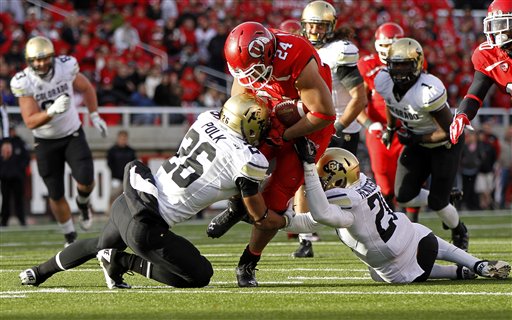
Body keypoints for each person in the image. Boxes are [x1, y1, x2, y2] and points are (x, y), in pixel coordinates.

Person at [19, 93, 287, 289]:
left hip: (129, 201)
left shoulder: (206, 119)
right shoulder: (247, 158)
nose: (262, 131)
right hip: (147, 225)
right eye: (260, 125)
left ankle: (39, 272)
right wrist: (292, 220)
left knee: (96, 245)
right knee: (199, 275)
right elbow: (260, 216)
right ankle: (121, 262)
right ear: (247, 123)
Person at [206, 21, 336, 287]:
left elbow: (323, 113)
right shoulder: (250, 55)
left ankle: (248, 262)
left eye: (252, 72)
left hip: (307, 123)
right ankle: (235, 207)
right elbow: (240, 97)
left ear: (268, 56)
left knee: (277, 198)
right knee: (237, 157)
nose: (247, 78)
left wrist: (286, 136)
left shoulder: (296, 57)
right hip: (271, 110)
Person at [283, 137, 510, 283]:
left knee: (381, 275)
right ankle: (473, 264)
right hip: (419, 237)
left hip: (395, 265)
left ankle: (456, 271)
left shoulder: (345, 197)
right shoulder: (363, 180)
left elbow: (318, 215)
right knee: (427, 243)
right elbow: (314, 218)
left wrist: (309, 171)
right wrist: (284, 221)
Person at [10, 36, 108, 246]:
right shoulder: (25, 82)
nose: (40, 63)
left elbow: (87, 87)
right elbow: (30, 121)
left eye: (44, 58)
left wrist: (95, 115)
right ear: (28, 61)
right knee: (55, 193)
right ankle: (70, 236)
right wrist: (52, 111)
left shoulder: (66, 68)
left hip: (72, 133)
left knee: (86, 179)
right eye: (35, 60)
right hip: (45, 141)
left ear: (52, 57)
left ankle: (83, 204)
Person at [374, 38, 469, 251]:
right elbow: (391, 103)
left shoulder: (427, 89)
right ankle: (446, 195)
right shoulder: (383, 81)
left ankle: (459, 230)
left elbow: (449, 131)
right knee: (404, 196)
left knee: (437, 203)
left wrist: (417, 139)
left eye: (404, 64)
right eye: (394, 64)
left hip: (445, 143)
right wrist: (390, 129)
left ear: (417, 64)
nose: (398, 70)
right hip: (417, 138)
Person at [290, 0, 367, 258]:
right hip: (314, 123)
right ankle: (305, 239)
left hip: (339, 128)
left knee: (342, 188)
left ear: (331, 27)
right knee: (302, 179)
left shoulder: (339, 51)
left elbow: (359, 97)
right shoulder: (301, 48)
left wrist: (339, 125)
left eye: (321, 26)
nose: (315, 31)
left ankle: (360, 234)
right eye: (311, 25)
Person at [449, 0, 512, 145]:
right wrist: (462, 114)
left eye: (503, 25)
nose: (497, 31)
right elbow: (476, 93)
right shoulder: (488, 55)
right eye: (494, 25)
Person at [0, 125, 30, 227]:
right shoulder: (2, 143)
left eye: (11, 130)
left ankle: (22, 220)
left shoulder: (20, 143)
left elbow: (26, 158)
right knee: (5, 200)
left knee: (19, 199)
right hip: (5, 177)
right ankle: (4, 221)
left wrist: (19, 170)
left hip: (17, 177)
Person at [106, 130, 136, 215]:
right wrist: (115, 173)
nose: (123, 140)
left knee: (129, 197)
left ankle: (128, 214)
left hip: (128, 178)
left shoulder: (130, 151)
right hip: (116, 178)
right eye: (122, 138)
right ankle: (110, 212)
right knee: (113, 196)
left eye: (125, 139)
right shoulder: (112, 151)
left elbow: (133, 163)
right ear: (118, 138)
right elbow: (109, 163)